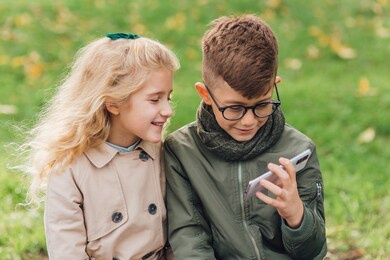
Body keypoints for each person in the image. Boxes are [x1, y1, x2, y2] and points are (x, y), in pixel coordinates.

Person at [164, 15, 327, 259]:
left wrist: (297, 216)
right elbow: (189, 235)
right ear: (205, 94)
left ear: (274, 86)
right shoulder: (182, 151)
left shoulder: (298, 149)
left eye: (261, 105)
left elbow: (313, 251)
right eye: (234, 108)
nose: (249, 121)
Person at [21, 32, 180, 259]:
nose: (168, 110)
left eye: (168, 98)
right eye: (155, 99)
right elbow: (67, 250)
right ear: (114, 103)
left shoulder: (164, 154)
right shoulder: (69, 168)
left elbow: (182, 232)